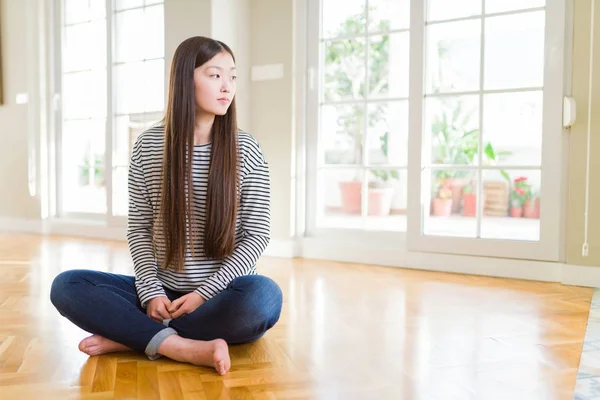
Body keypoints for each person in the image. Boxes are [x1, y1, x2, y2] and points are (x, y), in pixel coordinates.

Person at [50, 36, 283, 376]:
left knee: (263, 298)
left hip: (222, 294)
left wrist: (203, 294)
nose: (227, 87)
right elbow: (140, 229)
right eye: (215, 75)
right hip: (164, 292)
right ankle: (181, 345)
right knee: (67, 285)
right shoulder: (149, 145)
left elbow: (257, 234)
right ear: (185, 79)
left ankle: (135, 337)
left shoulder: (246, 148)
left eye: (232, 76)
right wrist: (150, 293)